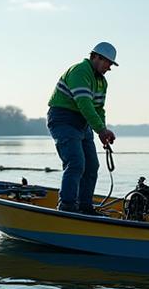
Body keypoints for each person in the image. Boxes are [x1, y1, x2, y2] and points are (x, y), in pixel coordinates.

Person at [46, 42, 117, 214]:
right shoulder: (80, 71)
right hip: (63, 119)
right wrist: (101, 130)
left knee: (92, 165)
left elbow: (98, 109)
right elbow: (84, 104)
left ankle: (85, 206)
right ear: (96, 57)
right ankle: (67, 206)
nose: (109, 68)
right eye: (108, 63)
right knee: (76, 163)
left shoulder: (102, 82)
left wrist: (102, 130)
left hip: (83, 123)